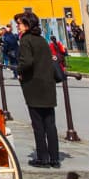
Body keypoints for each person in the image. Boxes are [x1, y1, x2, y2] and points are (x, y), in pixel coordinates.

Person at [15, 11, 60, 168]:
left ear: (27, 25)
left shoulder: (26, 41)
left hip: (34, 86)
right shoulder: (42, 40)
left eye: (19, 24)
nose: (17, 27)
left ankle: (42, 158)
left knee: (38, 124)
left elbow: (27, 62)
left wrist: (18, 70)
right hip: (48, 85)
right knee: (50, 123)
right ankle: (54, 158)